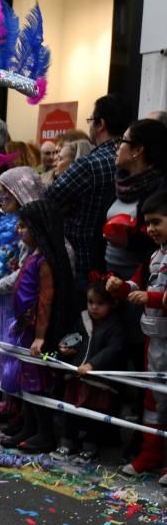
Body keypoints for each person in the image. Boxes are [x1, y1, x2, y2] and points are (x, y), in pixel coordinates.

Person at [0, 200, 75, 452]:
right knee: (25, 380)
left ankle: (45, 433)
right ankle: (29, 427)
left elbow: (45, 301)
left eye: (25, 226)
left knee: (37, 381)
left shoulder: (45, 262)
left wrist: (40, 337)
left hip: (36, 334)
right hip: (24, 330)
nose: (20, 231)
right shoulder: (34, 255)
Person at [107, 189, 167, 481]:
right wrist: (119, 287)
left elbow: (154, 295)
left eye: (157, 221)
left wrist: (152, 299)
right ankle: (151, 453)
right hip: (154, 341)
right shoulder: (155, 256)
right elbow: (136, 284)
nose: (151, 229)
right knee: (153, 400)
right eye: (148, 223)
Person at [45, 94, 129, 293]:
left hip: (80, 261)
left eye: (91, 121)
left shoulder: (89, 164)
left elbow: (46, 201)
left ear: (101, 124)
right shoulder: (130, 161)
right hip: (119, 259)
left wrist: (67, 205)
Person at [52, 278, 127, 464]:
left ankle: (89, 447)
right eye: (90, 302)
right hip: (77, 377)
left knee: (94, 415)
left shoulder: (115, 326)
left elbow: (113, 350)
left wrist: (92, 365)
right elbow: (75, 338)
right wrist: (65, 347)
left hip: (98, 381)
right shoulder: (83, 319)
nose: (94, 307)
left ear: (113, 304)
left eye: (100, 303)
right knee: (70, 411)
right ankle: (68, 442)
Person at [103, 118, 167, 280]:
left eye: (122, 141)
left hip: (143, 281)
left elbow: (159, 239)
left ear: (137, 150)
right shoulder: (119, 182)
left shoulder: (161, 188)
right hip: (110, 276)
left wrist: (128, 242)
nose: (116, 147)